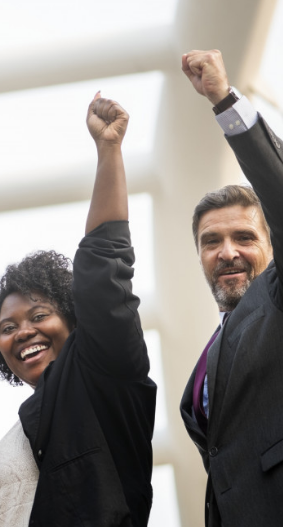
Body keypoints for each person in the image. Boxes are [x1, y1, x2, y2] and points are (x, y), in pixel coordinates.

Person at [0, 94, 157, 527]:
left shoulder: (104, 381)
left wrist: (108, 151)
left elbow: (104, 265)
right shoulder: (20, 431)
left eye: (39, 315)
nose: (23, 331)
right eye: (8, 327)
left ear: (74, 320)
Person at [178, 49, 283, 527]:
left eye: (244, 236)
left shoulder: (276, 298)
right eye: (211, 242)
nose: (227, 253)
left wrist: (223, 99)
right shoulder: (211, 353)